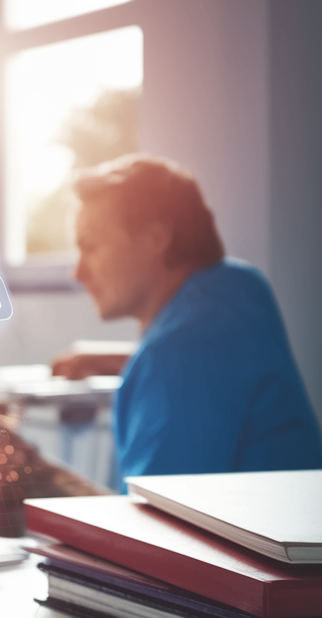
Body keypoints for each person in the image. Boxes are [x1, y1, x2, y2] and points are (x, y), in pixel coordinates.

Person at [52, 154, 321, 482]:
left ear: (156, 238)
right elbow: (218, 364)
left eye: (90, 247)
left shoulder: (176, 353)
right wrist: (122, 360)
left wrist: (45, 477)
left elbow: (148, 527)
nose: (78, 273)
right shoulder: (240, 285)